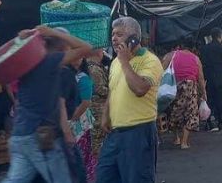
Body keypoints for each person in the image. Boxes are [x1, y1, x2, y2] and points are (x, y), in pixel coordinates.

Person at [3, 26, 92, 183]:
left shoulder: (27, 63)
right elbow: (86, 47)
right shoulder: (49, 61)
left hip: (19, 134)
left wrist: (24, 38)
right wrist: (54, 32)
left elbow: (6, 56)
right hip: (40, 136)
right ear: (63, 46)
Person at [97, 17, 163, 183]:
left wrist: (125, 62)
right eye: (113, 34)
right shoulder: (115, 62)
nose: (114, 38)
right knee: (104, 177)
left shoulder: (150, 60)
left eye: (119, 34)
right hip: (115, 134)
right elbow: (113, 89)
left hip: (138, 132)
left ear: (134, 38)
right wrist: (106, 114)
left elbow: (140, 89)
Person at [162, 39, 207, 150]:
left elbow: (161, 70)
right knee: (191, 114)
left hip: (175, 86)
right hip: (190, 87)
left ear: (180, 46)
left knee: (175, 112)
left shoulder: (171, 55)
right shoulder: (196, 59)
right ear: (193, 48)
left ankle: (176, 138)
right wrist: (204, 93)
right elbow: (201, 78)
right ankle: (184, 142)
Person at [68, 59, 94, 183]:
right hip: (72, 121)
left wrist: (73, 119)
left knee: (82, 156)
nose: (75, 61)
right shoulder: (69, 76)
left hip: (79, 122)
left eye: (79, 58)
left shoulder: (83, 78)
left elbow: (85, 102)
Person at [200, 28, 222, 132]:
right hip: (220, 77)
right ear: (220, 36)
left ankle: (209, 122)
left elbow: (202, 61)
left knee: (210, 100)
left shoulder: (205, 48)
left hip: (209, 77)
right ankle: (221, 121)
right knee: (221, 100)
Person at [85, 49, 108, 179]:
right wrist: (114, 90)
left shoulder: (96, 67)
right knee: (97, 141)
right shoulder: (94, 69)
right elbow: (100, 89)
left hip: (99, 108)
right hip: (98, 109)